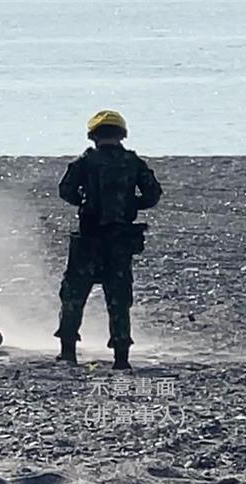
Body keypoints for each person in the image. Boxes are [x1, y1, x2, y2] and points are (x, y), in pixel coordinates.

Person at [53, 110, 162, 370]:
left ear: (94, 136)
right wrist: (129, 204)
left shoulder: (85, 162)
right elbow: (153, 194)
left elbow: (65, 190)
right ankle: (121, 358)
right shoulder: (133, 162)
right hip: (120, 241)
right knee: (119, 300)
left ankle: (68, 351)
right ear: (121, 134)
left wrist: (84, 201)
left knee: (73, 295)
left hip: (88, 240)